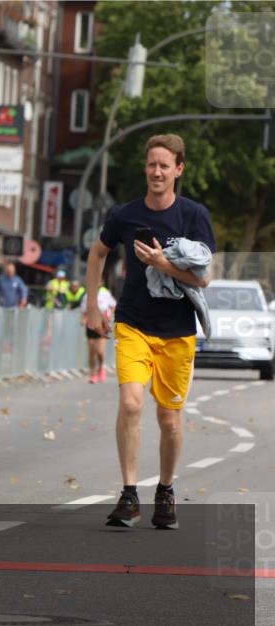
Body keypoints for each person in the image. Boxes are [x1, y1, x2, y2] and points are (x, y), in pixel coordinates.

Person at [85, 133, 215, 530]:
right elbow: (98, 252)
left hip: (177, 330)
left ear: (178, 170)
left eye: (164, 166)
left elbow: (203, 279)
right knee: (130, 404)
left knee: (169, 420)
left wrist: (162, 264)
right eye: (151, 165)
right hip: (133, 323)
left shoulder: (194, 216)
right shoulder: (125, 214)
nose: (156, 172)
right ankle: (129, 494)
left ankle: (165, 490)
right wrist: (92, 307)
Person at [80, 283, 117, 383]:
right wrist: (83, 320)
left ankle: (100, 367)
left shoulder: (105, 294)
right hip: (91, 324)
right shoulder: (87, 296)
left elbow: (113, 305)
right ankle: (93, 374)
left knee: (100, 351)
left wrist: (110, 315)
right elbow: (83, 311)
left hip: (102, 324)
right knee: (91, 351)